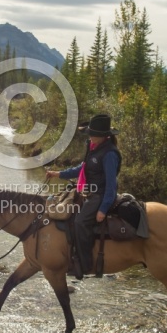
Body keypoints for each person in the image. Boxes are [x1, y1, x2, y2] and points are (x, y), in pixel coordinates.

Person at [46, 114, 122, 277]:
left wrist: (103, 209)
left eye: (92, 133)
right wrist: (58, 174)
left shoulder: (110, 154)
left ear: (103, 136)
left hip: (100, 195)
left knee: (80, 222)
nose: (89, 136)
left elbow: (111, 185)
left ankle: (85, 264)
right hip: (88, 192)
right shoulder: (93, 147)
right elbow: (82, 168)